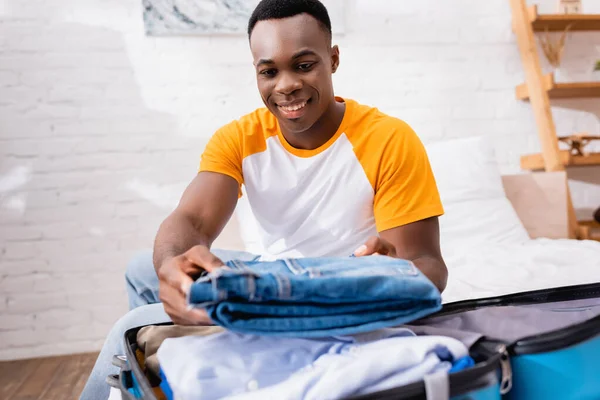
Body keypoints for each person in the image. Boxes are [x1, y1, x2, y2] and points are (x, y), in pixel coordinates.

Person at [80, 0, 448, 398]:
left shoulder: (389, 138)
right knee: (143, 268)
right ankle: (167, 362)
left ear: (333, 59)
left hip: (336, 295)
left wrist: (390, 272)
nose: (286, 84)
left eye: (304, 65)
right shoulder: (240, 137)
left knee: (128, 326)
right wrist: (173, 267)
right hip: (277, 274)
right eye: (269, 71)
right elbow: (191, 220)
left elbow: (429, 266)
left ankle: (167, 350)